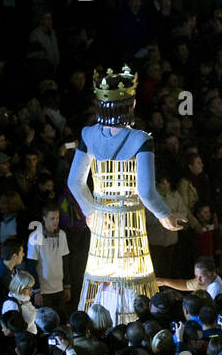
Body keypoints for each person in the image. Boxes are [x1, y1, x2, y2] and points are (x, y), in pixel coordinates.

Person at [68, 67, 184, 325]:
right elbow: (145, 190)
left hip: (103, 223)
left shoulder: (88, 135)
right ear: (131, 103)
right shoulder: (141, 139)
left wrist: (91, 212)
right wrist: (165, 216)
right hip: (130, 223)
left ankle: (100, 321)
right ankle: (132, 321)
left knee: (106, 272)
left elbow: (75, 182)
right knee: (132, 271)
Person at [26, 205, 71, 316]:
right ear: (44, 218)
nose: (55, 221)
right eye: (52, 218)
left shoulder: (62, 235)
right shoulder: (35, 237)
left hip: (59, 288)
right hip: (44, 290)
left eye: (57, 218)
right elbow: (31, 266)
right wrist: (36, 291)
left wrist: (67, 286)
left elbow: (65, 262)